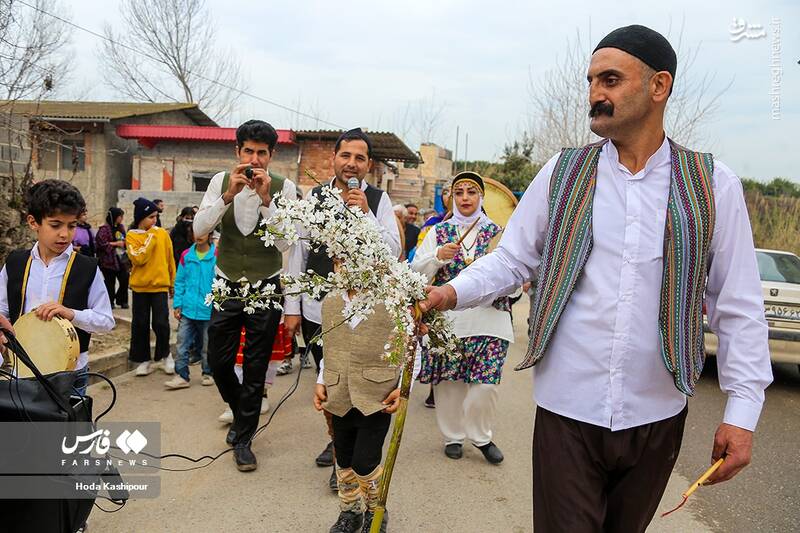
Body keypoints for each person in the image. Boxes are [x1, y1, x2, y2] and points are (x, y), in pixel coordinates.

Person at [419, 25, 773, 533]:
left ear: (659, 86)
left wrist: (742, 412)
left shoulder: (714, 185)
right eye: (590, 81)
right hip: (567, 409)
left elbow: (737, 306)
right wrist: (450, 292)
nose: (594, 94)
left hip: (658, 411)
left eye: (610, 80)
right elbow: (513, 259)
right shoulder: (562, 172)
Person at [285, 127, 401, 490]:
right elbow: (298, 253)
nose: (352, 163)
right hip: (318, 309)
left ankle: (351, 455)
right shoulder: (314, 198)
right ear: (334, 159)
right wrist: (291, 306)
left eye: (359, 158)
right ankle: (338, 447)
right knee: (330, 383)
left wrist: (365, 213)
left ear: (368, 165)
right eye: (345, 156)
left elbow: (393, 250)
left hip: (365, 314)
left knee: (360, 381)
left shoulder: (378, 200)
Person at [193, 119, 299, 472]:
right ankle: (242, 416)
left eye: (262, 153)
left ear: (271, 155)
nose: (254, 159)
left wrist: (267, 200)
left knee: (255, 366)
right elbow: (199, 230)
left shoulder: (285, 188)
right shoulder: (219, 182)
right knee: (218, 360)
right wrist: (228, 196)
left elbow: (286, 243)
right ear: (237, 151)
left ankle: (243, 440)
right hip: (226, 283)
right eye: (249, 151)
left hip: (266, 285)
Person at [411, 172, 513, 464]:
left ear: (481, 197)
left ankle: (481, 437)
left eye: (471, 192)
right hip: (449, 323)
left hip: (490, 321)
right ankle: (453, 436)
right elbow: (415, 274)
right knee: (449, 385)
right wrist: (437, 256)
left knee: (486, 385)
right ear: (452, 198)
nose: (465, 197)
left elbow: (514, 276)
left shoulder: (497, 233)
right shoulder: (438, 232)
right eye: (459, 192)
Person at [0, 180, 114, 396]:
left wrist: (72, 314)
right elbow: (2, 311)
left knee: (67, 420)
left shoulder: (87, 268)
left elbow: (106, 321)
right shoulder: (15, 263)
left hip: (70, 373)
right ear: (33, 222)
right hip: (21, 370)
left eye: (72, 226)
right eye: (55, 225)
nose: (65, 234)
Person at [313, 295, 415, 533]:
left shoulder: (393, 300)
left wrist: (405, 387)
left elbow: (412, 349)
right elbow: (329, 347)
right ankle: (350, 511)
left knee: (364, 462)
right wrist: (321, 380)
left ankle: (375, 511)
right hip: (339, 394)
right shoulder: (331, 301)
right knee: (344, 459)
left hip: (376, 397)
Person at [126, 197, 176, 377]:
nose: (155, 220)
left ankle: (165, 355)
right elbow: (138, 258)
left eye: (156, 216)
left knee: (161, 323)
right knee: (140, 324)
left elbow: (170, 259)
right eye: (151, 217)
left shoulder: (162, 234)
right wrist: (150, 237)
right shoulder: (131, 236)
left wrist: (172, 283)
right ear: (141, 217)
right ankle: (143, 360)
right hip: (140, 288)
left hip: (159, 286)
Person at [165, 230, 216, 389]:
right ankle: (182, 376)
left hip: (208, 311)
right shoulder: (186, 255)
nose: (199, 235)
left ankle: (208, 373)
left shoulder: (217, 256)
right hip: (187, 310)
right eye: (196, 232)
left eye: (203, 231)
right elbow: (180, 282)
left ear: (210, 234)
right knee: (182, 344)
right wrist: (177, 304)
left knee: (208, 347)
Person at [95, 207, 130, 309]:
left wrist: (125, 243)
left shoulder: (121, 227)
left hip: (121, 259)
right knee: (110, 283)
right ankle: (110, 302)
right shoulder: (104, 229)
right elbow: (101, 244)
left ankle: (122, 300)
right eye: (120, 216)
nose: (121, 218)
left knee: (125, 279)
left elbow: (124, 239)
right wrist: (115, 244)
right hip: (108, 261)